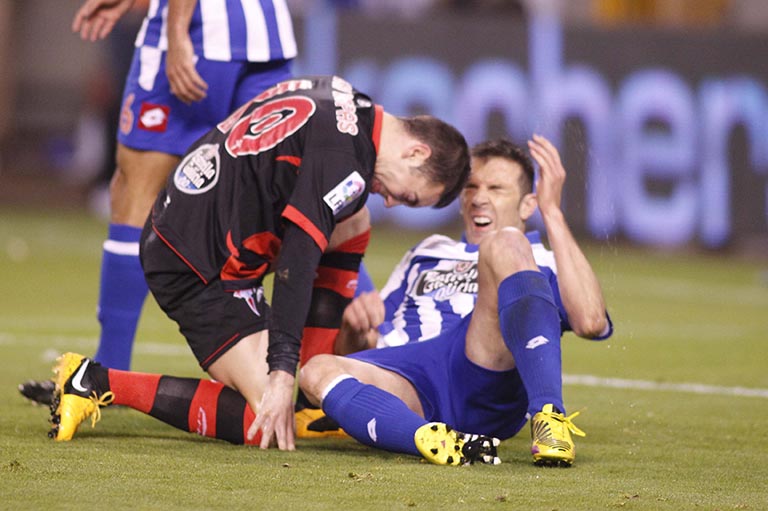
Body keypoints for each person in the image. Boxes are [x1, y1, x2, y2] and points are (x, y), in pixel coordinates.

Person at [47, 75, 472, 452]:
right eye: (410, 195)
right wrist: (283, 371)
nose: (393, 201)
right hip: (194, 265)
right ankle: (95, 383)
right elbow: (297, 261)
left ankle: (313, 382)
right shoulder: (349, 163)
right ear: (416, 152)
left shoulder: (348, 100)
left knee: (353, 216)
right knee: (265, 419)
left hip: (193, 221)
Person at [19, 0, 298, 403]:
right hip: (267, 34)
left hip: (199, 33)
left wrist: (176, 35)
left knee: (135, 193)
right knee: (286, 188)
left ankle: (105, 376)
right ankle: (346, 366)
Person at [298, 135, 613, 466]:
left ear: (527, 205)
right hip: (411, 374)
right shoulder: (427, 251)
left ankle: (549, 415)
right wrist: (355, 330)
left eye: (496, 189)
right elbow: (369, 347)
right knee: (316, 371)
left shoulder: (537, 259)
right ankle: (432, 439)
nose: (479, 198)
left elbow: (591, 322)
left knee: (504, 242)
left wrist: (553, 213)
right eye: (471, 187)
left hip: (479, 367)